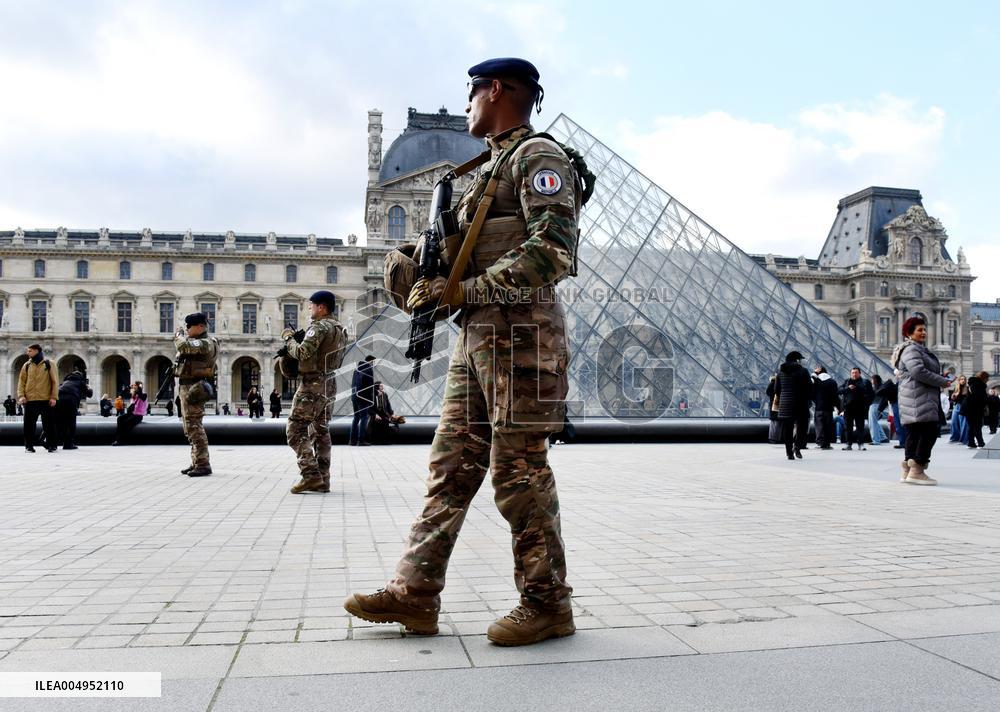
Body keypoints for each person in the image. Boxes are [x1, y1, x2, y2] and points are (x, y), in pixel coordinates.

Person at [345, 58, 588, 646]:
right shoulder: (486, 169)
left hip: (523, 336)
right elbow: (450, 244)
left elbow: (553, 252)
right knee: (450, 468)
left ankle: (548, 601)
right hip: (480, 332)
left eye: (472, 94)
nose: (468, 106)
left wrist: (463, 289)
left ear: (497, 90)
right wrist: (409, 264)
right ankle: (415, 593)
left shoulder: (538, 158)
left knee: (519, 470)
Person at [281, 290, 347, 494]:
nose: (309, 308)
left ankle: (310, 475)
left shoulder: (319, 327)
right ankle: (323, 479)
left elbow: (302, 352)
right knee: (321, 430)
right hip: (330, 382)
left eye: (311, 305)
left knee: (295, 429)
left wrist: (289, 339)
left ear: (321, 307)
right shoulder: (340, 329)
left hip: (313, 384)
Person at [892, 316, 953, 484]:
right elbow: (918, 372)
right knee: (929, 432)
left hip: (914, 397)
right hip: (919, 398)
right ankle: (917, 470)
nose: (924, 332)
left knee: (914, 433)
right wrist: (942, 381)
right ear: (909, 333)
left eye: (924, 329)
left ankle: (907, 469)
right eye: (919, 330)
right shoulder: (913, 350)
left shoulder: (910, 349)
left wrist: (940, 377)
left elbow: (917, 372)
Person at [175, 312, 219, 476]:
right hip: (189, 386)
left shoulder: (206, 343)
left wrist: (178, 336)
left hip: (195, 387)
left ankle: (202, 464)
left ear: (200, 326)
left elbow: (182, 346)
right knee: (189, 427)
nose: (186, 330)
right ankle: (196, 460)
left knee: (195, 426)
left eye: (189, 327)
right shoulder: (199, 341)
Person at [17, 344, 58, 453]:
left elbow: (55, 382)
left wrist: (53, 397)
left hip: (45, 399)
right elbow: (21, 382)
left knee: (49, 425)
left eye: (30, 351)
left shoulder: (49, 364)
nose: (28, 353)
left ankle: (52, 445)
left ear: (36, 351)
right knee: (28, 425)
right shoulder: (26, 365)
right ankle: (28, 446)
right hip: (30, 400)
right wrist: (21, 396)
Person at [774, 352, 812, 460]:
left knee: (787, 429)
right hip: (801, 403)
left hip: (786, 404)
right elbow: (809, 387)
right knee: (802, 427)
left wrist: (783, 397)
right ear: (797, 360)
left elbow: (776, 389)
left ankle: (789, 453)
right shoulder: (803, 371)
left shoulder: (780, 372)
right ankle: (797, 447)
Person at [55, 367, 92, 449]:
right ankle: (68, 444)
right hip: (70, 400)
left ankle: (55, 443)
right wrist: (89, 387)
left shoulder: (65, 382)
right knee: (71, 422)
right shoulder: (80, 381)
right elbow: (89, 394)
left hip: (59, 399)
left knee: (60, 422)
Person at [839, 367, 873, 450]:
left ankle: (861, 443)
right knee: (848, 427)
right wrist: (848, 388)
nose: (854, 374)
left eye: (856, 372)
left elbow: (871, 394)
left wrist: (866, 404)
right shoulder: (847, 381)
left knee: (860, 427)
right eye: (853, 373)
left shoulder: (865, 382)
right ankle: (848, 444)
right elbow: (839, 390)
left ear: (860, 373)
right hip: (848, 408)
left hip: (860, 408)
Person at [811, 366, 840, 449]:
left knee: (819, 426)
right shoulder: (832, 382)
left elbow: (811, 393)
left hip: (819, 408)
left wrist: (816, 401)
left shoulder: (816, 381)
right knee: (828, 426)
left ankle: (820, 443)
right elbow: (835, 396)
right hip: (828, 408)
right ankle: (827, 443)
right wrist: (838, 407)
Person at [350, 356, 376, 446]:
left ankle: (352, 441)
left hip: (354, 396)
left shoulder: (356, 369)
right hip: (363, 398)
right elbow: (370, 385)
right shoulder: (368, 369)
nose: (374, 364)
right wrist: (370, 398)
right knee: (364, 417)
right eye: (373, 362)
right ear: (371, 361)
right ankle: (361, 440)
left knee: (356, 417)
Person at [965, 371, 988, 449]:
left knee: (971, 426)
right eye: (987, 378)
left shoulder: (972, 384)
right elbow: (979, 398)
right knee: (977, 426)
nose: (987, 380)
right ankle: (980, 443)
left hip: (969, 408)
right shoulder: (979, 385)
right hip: (976, 409)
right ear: (983, 378)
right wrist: (985, 401)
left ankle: (971, 443)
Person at [948, 375, 970, 444]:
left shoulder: (967, 388)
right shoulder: (956, 388)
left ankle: (964, 440)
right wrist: (953, 397)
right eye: (961, 379)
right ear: (959, 380)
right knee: (954, 422)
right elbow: (952, 400)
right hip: (957, 406)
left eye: (964, 379)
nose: (963, 380)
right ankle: (954, 438)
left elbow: (968, 399)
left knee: (963, 423)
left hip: (964, 407)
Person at [868, 374, 888, 445]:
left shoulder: (876, 388)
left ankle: (876, 440)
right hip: (880, 406)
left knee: (872, 423)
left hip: (874, 406)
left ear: (874, 380)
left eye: (872, 379)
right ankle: (883, 437)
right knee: (875, 422)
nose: (871, 381)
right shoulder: (882, 386)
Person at [765, 375, 781, 444]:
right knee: (776, 422)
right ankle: (775, 438)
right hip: (776, 405)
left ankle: (774, 438)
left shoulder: (772, 383)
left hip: (774, 405)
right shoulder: (776, 383)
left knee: (774, 422)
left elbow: (768, 392)